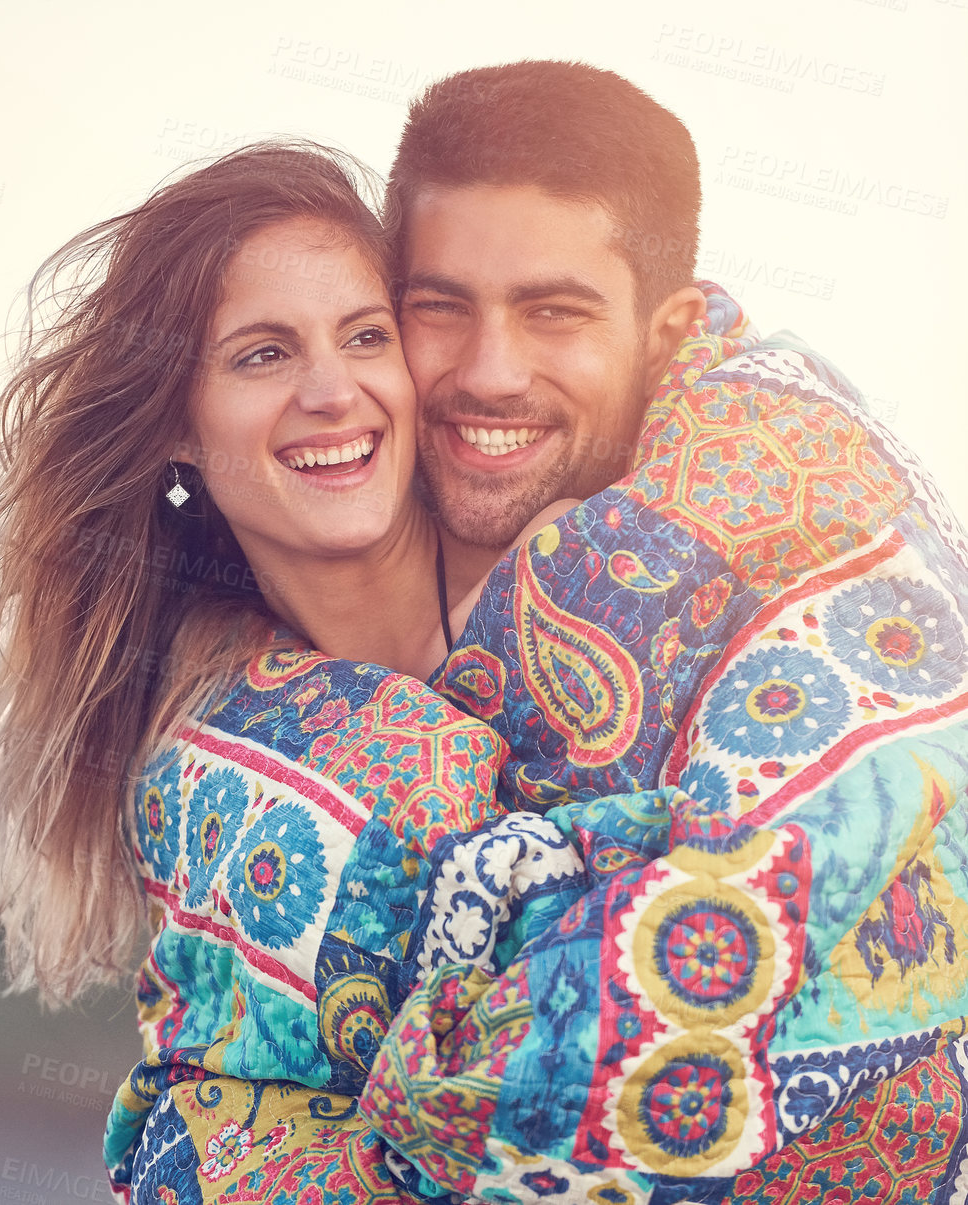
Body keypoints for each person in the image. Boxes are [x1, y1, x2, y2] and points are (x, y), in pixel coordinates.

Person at [352, 60, 968, 1203]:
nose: (487, 371)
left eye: (554, 312)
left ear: (668, 325)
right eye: (441, 306)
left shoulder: (771, 475)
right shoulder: (340, 521)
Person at [0, 143, 573, 1203]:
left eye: (365, 336)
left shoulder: (579, 574)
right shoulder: (221, 761)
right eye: (263, 354)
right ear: (179, 424)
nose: (333, 390)